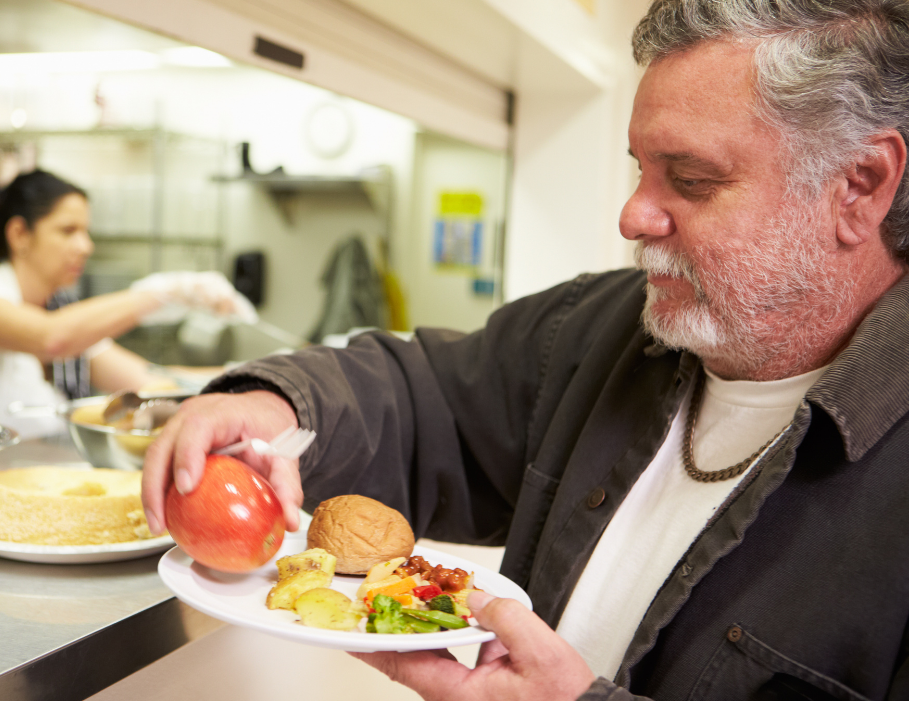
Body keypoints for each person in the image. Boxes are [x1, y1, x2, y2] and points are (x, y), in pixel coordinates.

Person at [142, 0, 909, 698]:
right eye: (640, 170)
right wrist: (267, 405)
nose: (633, 216)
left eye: (692, 179)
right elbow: (420, 395)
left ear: (859, 184)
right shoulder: (604, 329)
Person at [0, 170, 255, 438]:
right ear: (19, 234)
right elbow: (51, 338)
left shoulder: (61, 310)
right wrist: (163, 293)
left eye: (86, 232)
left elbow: (150, 382)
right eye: (68, 230)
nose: (86, 246)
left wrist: (253, 372)